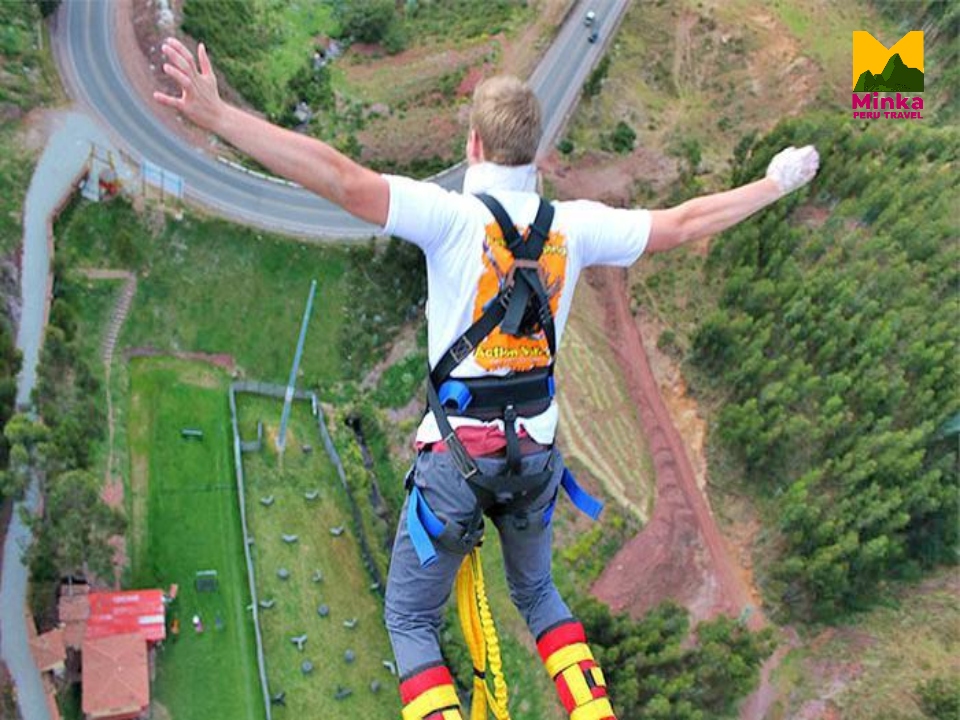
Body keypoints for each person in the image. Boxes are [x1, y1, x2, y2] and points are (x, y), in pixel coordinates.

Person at [155, 37, 818, 720]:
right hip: (535, 459)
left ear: (472, 144)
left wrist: (223, 118)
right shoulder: (576, 228)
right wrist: (774, 183)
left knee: (413, 620)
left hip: (455, 460)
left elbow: (342, 179)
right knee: (537, 595)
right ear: (536, 150)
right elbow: (683, 223)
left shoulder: (452, 220)